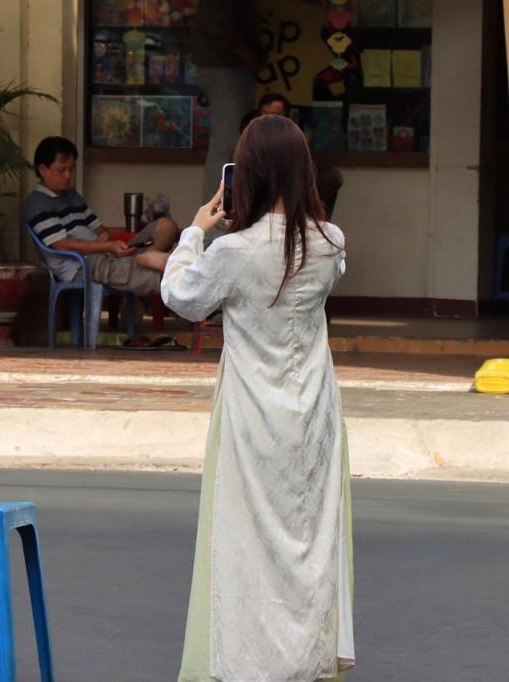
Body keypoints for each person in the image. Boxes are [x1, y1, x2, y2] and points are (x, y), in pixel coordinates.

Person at [162, 114, 354, 681]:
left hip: (250, 416)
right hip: (314, 413)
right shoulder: (331, 243)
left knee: (246, 546)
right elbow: (318, 257)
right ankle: (308, 660)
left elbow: (181, 295)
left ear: (245, 175)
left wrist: (195, 231)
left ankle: (250, 664)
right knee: (311, 542)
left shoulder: (233, 251)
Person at [25, 136, 179, 296]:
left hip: (106, 253)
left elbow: (99, 228)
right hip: (84, 265)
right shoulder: (39, 203)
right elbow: (61, 245)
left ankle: (148, 256)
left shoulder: (72, 196)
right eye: (61, 170)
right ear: (42, 170)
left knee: (165, 227)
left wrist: (107, 239)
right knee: (166, 272)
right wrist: (106, 247)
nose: (68, 176)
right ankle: (157, 267)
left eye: (71, 169)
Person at [191, 0, 266, 237]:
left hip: (230, 67)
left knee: (235, 144)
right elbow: (218, 26)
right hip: (225, 67)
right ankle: (213, 228)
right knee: (228, 146)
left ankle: (222, 223)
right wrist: (249, 54)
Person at [243, 92, 346, 220]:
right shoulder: (249, 135)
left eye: (275, 116)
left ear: (289, 118)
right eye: (264, 115)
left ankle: (317, 223)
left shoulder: (294, 136)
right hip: (259, 185)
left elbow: (304, 169)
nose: (268, 121)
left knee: (331, 176)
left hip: (291, 185)